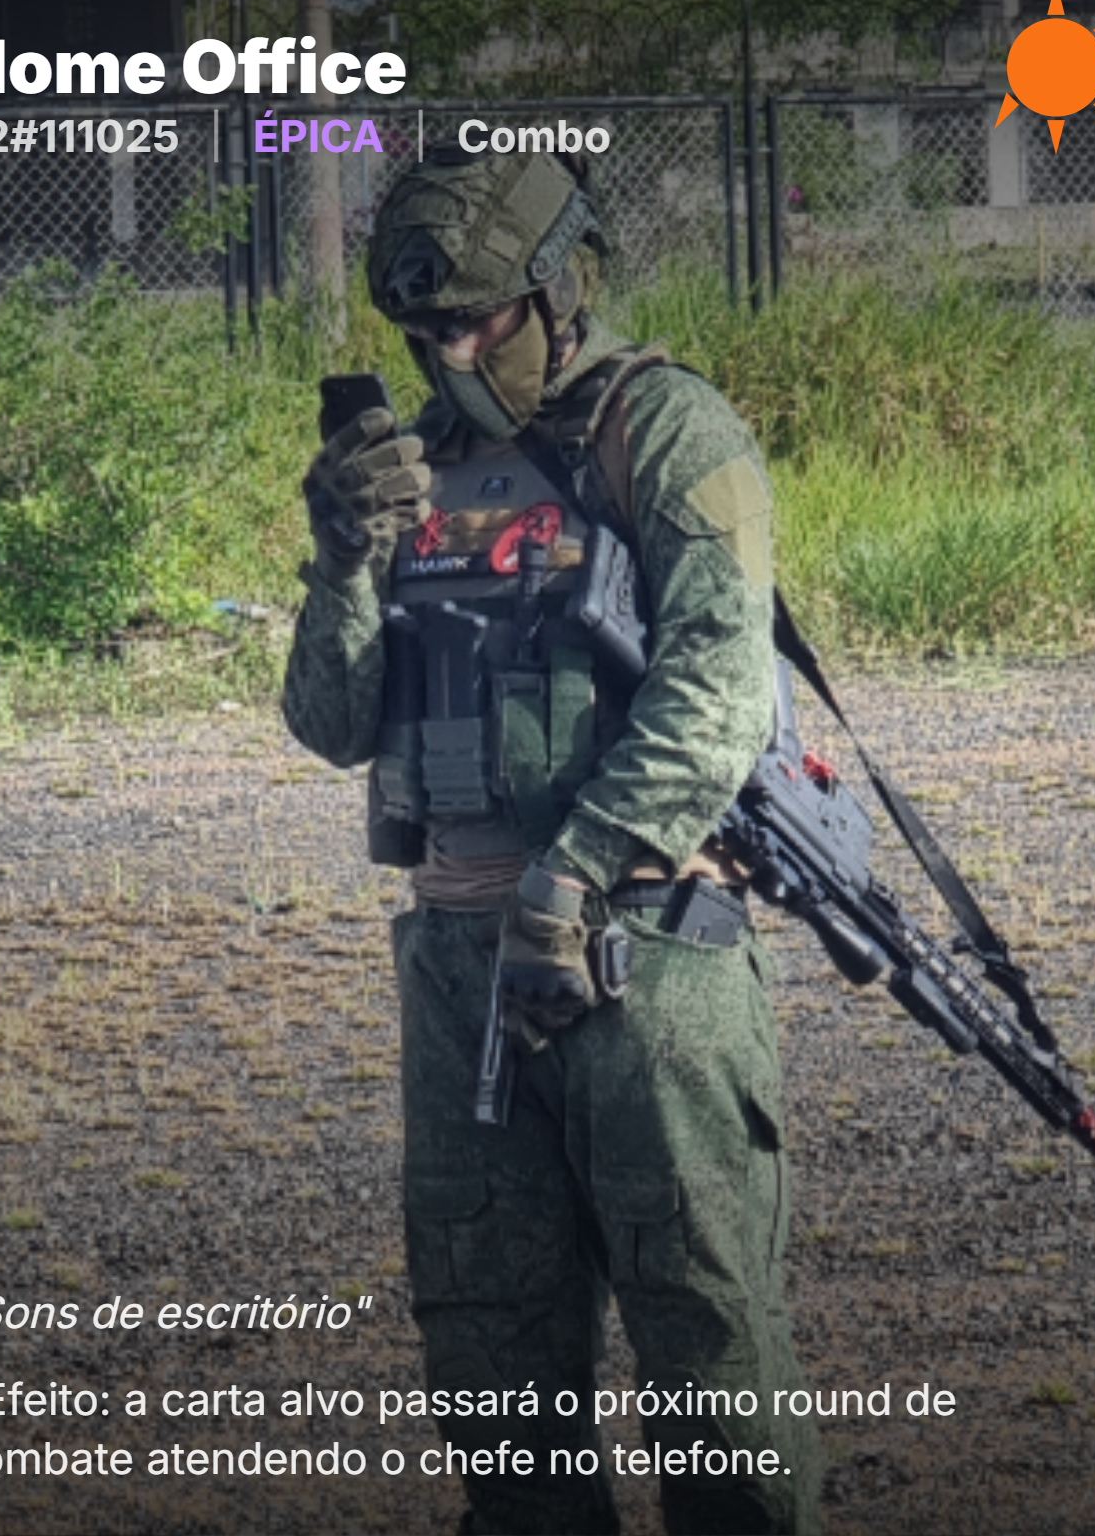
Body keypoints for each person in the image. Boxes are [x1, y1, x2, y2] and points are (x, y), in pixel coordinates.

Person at [283, 144, 821, 1536]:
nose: (451, 354)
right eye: (426, 333)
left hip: (642, 951)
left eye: (476, 321)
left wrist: (573, 871)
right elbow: (333, 724)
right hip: (458, 960)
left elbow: (718, 695)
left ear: (555, 288)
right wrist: (343, 560)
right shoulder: (413, 475)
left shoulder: (668, 431)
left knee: (706, 1356)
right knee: (495, 1370)